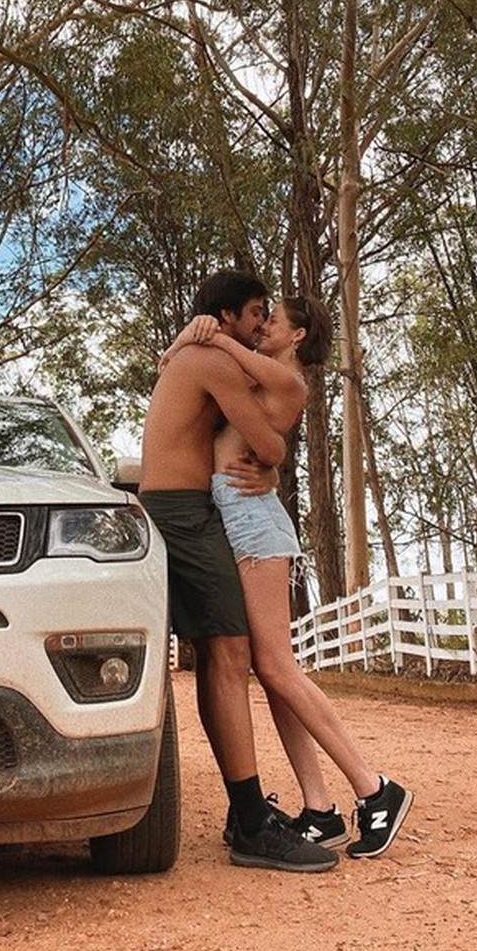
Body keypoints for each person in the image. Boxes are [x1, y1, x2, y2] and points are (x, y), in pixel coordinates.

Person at [165, 292, 413, 860]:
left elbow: (220, 361)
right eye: (263, 316)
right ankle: (319, 808)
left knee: (277, 665)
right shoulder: (256, 374)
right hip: (239, 514)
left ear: (297, 336)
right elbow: (189, 370)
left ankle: (376, 789)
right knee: (270, 671)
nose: (266, 325)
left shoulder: (285, 378)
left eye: (275, 320)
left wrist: (206, 330)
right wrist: (190, 338)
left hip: (254, 525)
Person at [139, 270, 337, 872]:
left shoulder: (196, 353)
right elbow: (270, 446)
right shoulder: (212, 360)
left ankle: (243, 812)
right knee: (229, 653)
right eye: (255, 313)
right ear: (227, 316)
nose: (259, 325)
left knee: (220, 654)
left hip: (186, 509)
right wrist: (273, 467)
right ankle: (251, 824)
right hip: (183, 513)